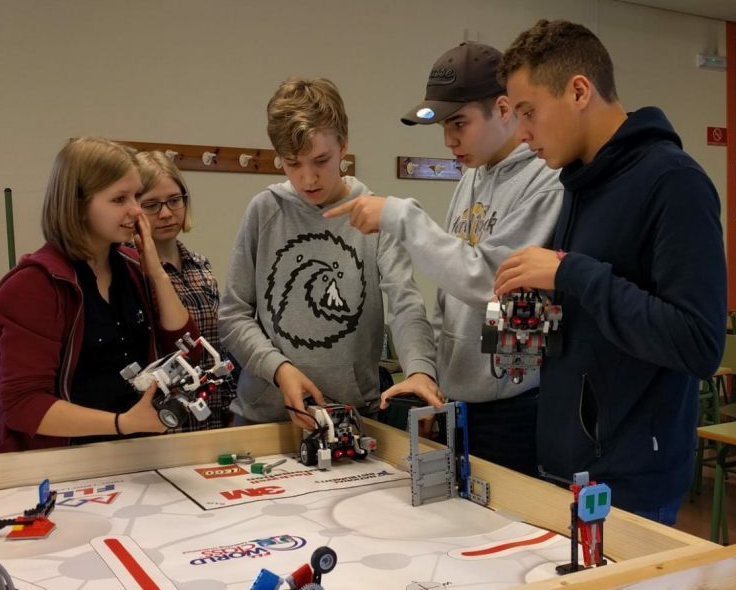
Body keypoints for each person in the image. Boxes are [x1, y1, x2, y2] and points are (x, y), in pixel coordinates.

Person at [492, 18, 726, 523]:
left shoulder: (675, 182)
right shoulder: (577, 184)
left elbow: (699, 344)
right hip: (563, 464)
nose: (523, 133)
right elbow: (593, 318)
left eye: (529, 112)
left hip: (631, 482)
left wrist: (571, 272)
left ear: (579, 91)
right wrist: (529, 314)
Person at [325, 42, 563, 472]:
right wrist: (432, 375)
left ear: (503, 109)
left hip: (516, 406)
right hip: (460, 400)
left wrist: (402, 217)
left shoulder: (546, 180)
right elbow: (448, 294)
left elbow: (491, 280)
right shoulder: (471, 175)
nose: (449, 140)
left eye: (459, 123)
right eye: (444, 126)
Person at [219, 77, 441, 430]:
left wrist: (419, 370)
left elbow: (405, 305)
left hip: (352, 416)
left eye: (320, 161)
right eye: (292, 164)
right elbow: (233, 315)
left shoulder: (375, 215)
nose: (308, 179)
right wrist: (279, 369)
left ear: (343, 145)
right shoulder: (264, 211)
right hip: (264, 417)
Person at [0, 137, 197, 452]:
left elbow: (189, 354)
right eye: (119, 199)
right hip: (63, 461)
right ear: (77, 206)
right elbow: (23, 404)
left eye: (136, 196)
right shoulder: (34, 285)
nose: (136, 210)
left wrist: (156, 272)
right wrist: (123, 423)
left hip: (136, 453)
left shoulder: (132, 268)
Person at [135, 150, 236, 431]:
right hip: (163, 423)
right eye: (151, 205)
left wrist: (230, 405)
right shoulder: (131, 272)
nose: (166, 213)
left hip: (212, 414)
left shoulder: (200, 266)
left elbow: (218, 346)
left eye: (174, 200)